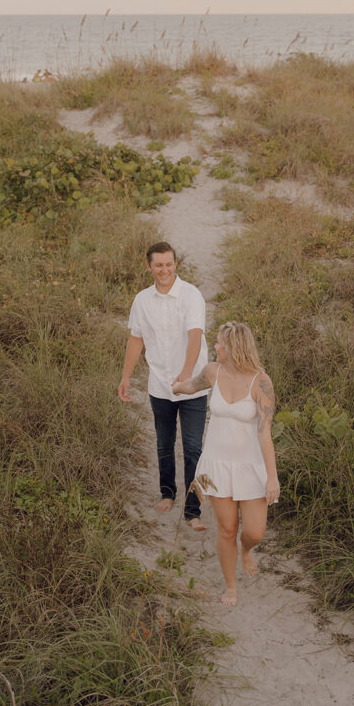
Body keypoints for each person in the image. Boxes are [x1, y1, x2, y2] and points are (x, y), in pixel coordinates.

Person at [172, 321, 280, 606]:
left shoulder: (262, 382)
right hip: (217, 465)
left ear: (233, 348)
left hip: (249, 466)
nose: (215, 346)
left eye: (219, 342)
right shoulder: (212, 371)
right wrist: (176, 387)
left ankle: (246, 551)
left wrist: (272, 477)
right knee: (228, 528)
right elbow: (190, 385)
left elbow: (264, 432)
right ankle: (231, 585)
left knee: (254, 532)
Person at [118, 242, 209, 530]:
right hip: (159, 384)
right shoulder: (142, 300)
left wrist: (185, 375)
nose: (164, 270)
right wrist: (126, 376)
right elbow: (136, 339)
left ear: (175, 264)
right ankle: (167, 493)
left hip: (193, 385)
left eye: (168, 264)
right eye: (158, 265)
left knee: (194, 447)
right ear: (149, 267)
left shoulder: (191, 295)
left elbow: (195, 336)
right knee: (164, 444)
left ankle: (193, 510)